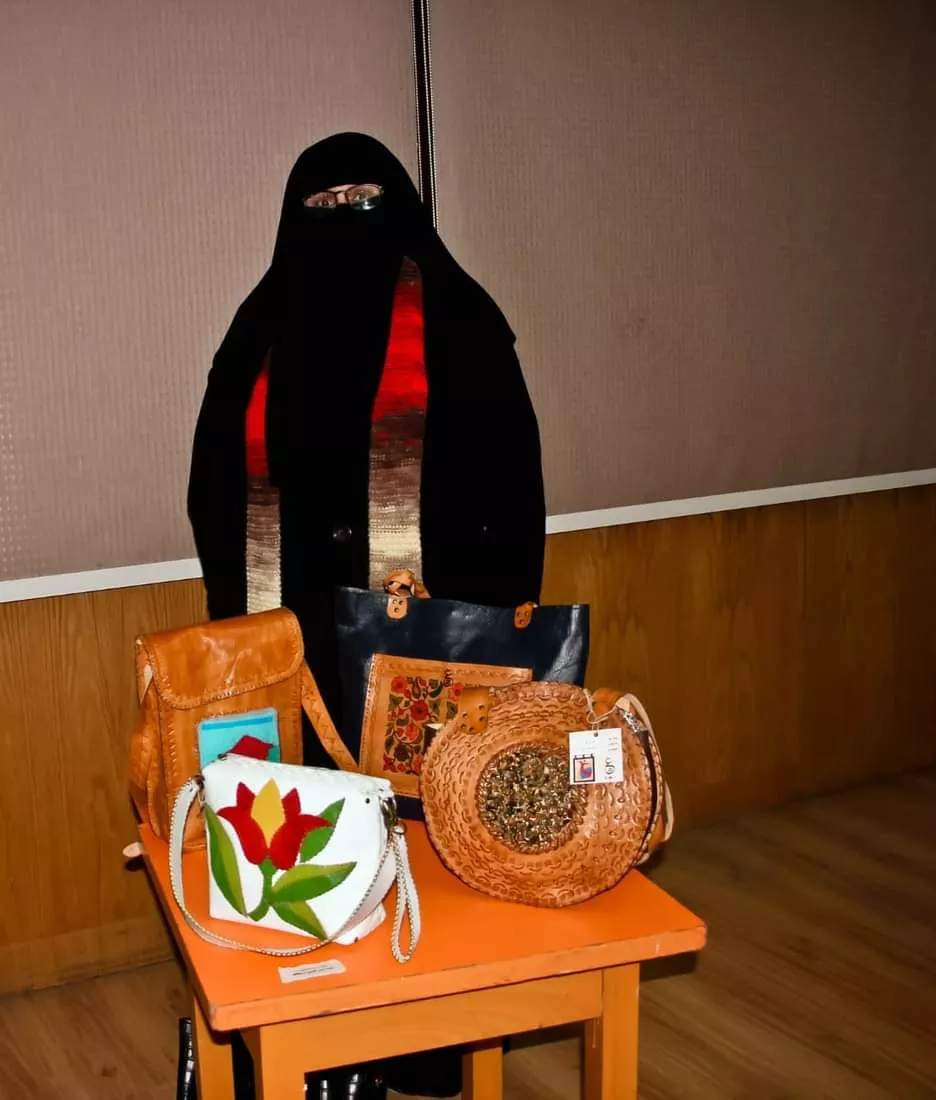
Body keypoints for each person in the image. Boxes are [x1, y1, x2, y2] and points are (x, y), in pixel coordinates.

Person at [187, 133, 547, 1099]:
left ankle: (429, 1048)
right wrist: (241, 615)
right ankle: (311, 1043)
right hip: (295, 638)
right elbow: (213, 485)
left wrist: (489, 616)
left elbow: (515, 485)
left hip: (429, 640)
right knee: (300, 845)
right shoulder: (260, 330)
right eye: (325, 202)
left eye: (366, 199)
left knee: (428, 839)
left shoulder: (463, 320)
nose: (347, 217)